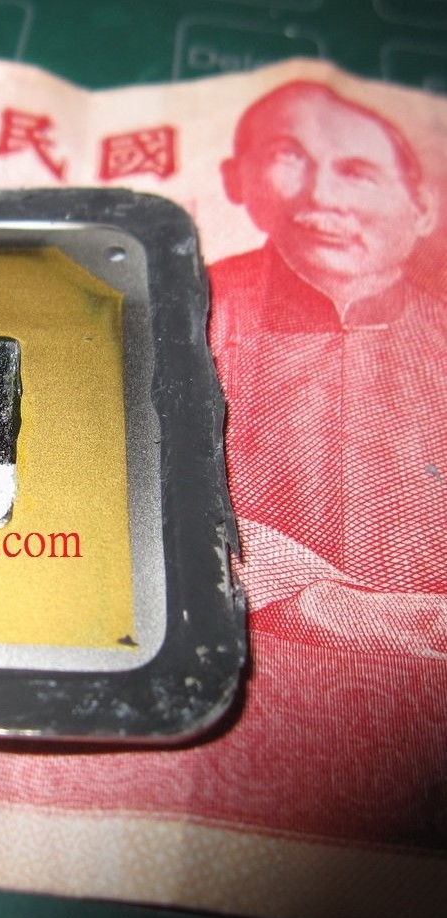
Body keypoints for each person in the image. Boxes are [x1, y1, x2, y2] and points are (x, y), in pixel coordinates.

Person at [208, 80, 447, 656]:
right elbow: (142, 482)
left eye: (358, 172)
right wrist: (316, 601)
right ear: (237, 179)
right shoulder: (191, 307)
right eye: (289, 158)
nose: (320, 197)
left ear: (422, 209)